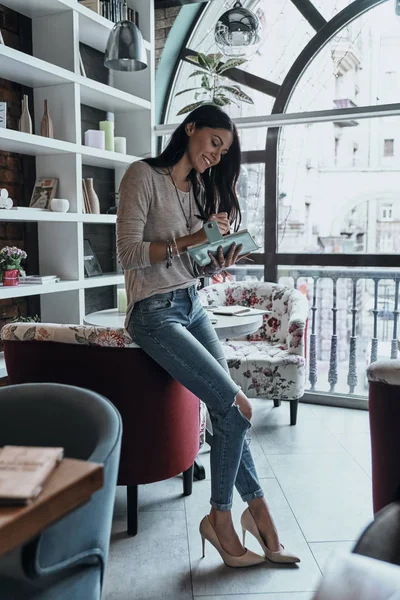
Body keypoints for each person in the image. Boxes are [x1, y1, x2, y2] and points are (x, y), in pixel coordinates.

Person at [116, 104, 300, 567]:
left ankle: (256, 513)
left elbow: (190, 262)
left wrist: (216, 258)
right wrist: (195, 239)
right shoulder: (142, 175)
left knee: (231, 412)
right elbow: (129, 253)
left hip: (191, 303)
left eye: (225, 151)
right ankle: (222, 518)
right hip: (153, 313)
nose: (217, 156)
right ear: (191, 128)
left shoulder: (197, 187)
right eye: (215, 143)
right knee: (236, 405)